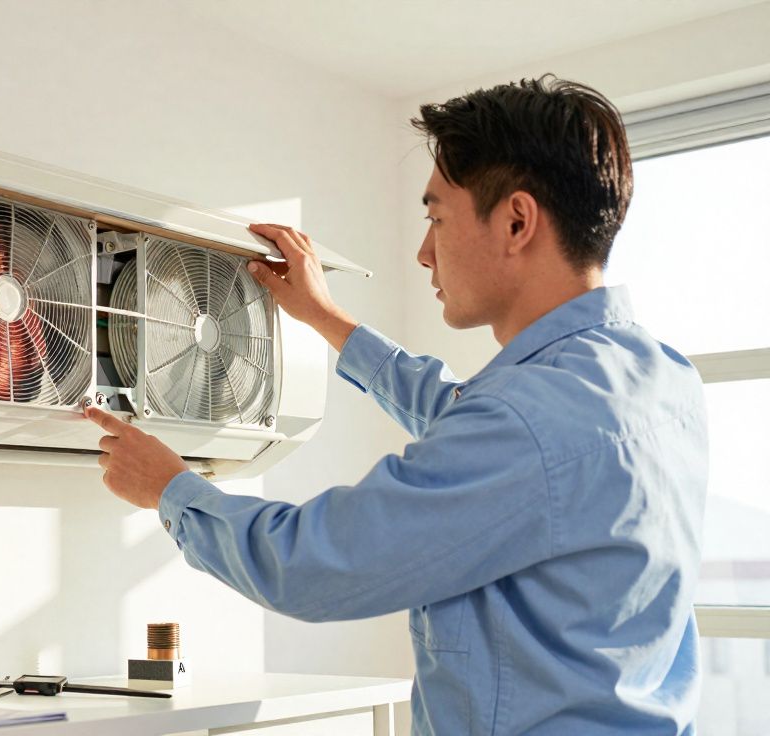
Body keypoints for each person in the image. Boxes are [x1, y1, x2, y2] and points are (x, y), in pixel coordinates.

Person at [85, 75, 708, 735]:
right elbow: (474, 422)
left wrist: (172, 492)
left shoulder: (528, 422)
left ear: (517, 222)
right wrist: (329, 321)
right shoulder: (659, 378)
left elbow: (317, 565)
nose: (423, 251)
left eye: (437, 217)